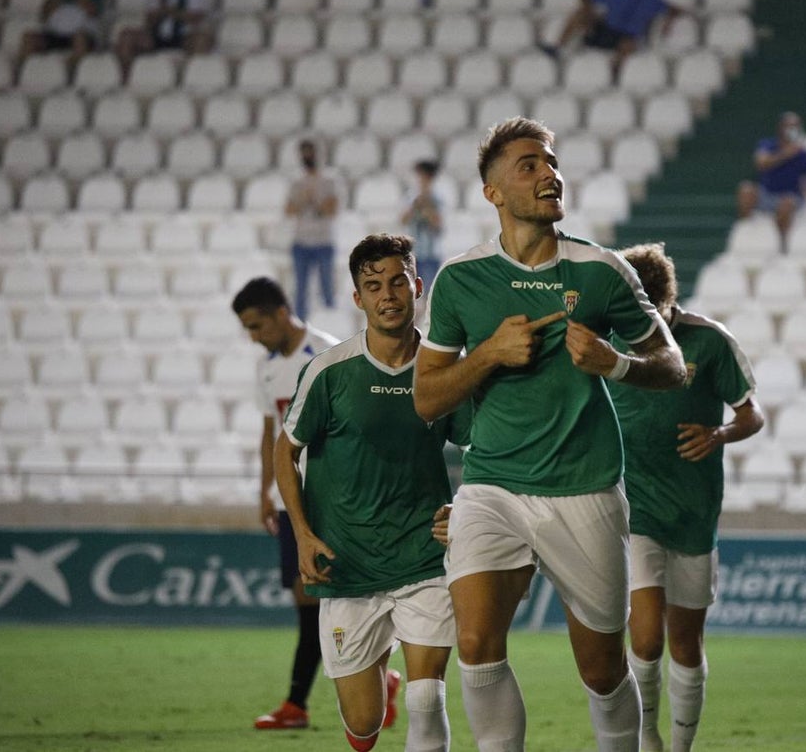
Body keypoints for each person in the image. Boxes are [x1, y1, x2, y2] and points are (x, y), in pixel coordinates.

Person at [414, 116, 687, 752]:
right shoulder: (460, 279)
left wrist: (614, 363)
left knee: (601, 669)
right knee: (476, 646)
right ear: (494, 193)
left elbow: (673, 367)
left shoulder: (602, 271)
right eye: (529, 166)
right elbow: (427, 398)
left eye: (551, 163)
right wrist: (485, 355)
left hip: (584, 487)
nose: (549, 174)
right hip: (493, 486)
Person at [276, 233, 470, 752]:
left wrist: (467, 506)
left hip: (423, 558)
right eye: (373, 286)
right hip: (347, 566)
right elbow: (284, 449)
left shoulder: (446, 370)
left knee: (427, 701)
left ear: (417, 287)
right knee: (363, 727)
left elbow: (485, 444)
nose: (387, 295)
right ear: (358, 297)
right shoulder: (329, 371)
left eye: (397, 282)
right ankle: (374, 684)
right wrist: (302, 535)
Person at [606, 243, 764, 752]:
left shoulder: (710, 341)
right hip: (635, 510)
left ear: (664, 298)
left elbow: (751, 414)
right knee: (646, 638)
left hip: (694, 512)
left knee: (686, 645)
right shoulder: (608, 339)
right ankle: (647, 739)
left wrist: (718, 435)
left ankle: (680, 747)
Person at [230, 277, 343, 731]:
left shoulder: (327, 354)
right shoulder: (266, 369)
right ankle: (379, 676)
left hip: (326, 496)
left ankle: (296, 704)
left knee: (318, 600)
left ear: (281, 311)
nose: (254, 336)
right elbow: (270, 433)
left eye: (257, 325)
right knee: (310, 602)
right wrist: (264, 490)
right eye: (248, 329)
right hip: (287, 498)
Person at [540, 0, 683, 82]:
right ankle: (558, 47)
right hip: (606, 30)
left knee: (628, 44)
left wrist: (667, 23)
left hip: (627, 37)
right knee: (578, 15)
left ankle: (614, 75)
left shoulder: (652, 0)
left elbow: (675, 10)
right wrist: (589, 10)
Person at [285, 139, 340, 322]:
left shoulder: (329, 179)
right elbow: (289, 210)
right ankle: (301, 325)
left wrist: (314, 198)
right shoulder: (296, 181)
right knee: (300, 290)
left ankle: (332, 324)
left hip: (323, 241)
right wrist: (303, 199)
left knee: (327, 289)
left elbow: (331, 209)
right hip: (301, 242)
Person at [737, 111, 806, 237]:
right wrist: (786, 154)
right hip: (767, 194)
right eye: (789, 126)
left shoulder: (803, 154)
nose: (792, 130)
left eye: (795, 126)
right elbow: (761, 163)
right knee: (746, 190)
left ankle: (781, 241)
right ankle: (745, 232)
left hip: (791, 196)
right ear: (781, 128)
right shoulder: (767, 145)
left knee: (786, 203)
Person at [114, 0, 215, 72]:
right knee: (126, 35)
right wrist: (163, 13)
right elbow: (149, 18)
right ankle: (125, 80)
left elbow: (196, 17)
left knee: (202, 40)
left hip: (184, 37)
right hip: (158, 35)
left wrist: (168, 10)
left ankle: (190, 78)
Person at [17, 0, 106, 72]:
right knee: (28, 37)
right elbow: (44, 15)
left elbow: (93, 12)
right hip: (54, 34)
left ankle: (72, 76)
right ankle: (20, 73)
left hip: (79, 34)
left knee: (80, 40)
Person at [400, 160, 445, 293]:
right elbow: (403, 220)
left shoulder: (438, 198)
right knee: (410, 293)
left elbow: (438, 224)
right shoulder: (410, 196)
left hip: (431, 253)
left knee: (429, 293)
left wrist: (427, 207)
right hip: (412, 252)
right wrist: (415, 205)